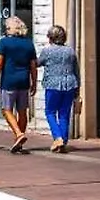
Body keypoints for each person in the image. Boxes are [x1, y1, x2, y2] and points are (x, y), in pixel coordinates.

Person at [0, 16, 39, 154]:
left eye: (7, 27)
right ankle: (18, 141)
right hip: (24, 81)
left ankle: (18, 134)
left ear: (12, 29)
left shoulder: (4, 43)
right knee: (22, 111)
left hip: (9, 81)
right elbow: (33, 66)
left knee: (6, 110)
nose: (6, 30)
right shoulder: (29, 44)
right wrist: (34, 82)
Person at [38, 25, 80, 153]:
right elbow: (76, 70)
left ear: (51, 37)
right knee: (64, 113)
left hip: (52, 84)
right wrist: (78, 87)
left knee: (50, 112)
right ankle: (63, 141)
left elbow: (38, 63)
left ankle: (58, 137)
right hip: (69, 84)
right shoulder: (70, 51)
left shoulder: (47, 51)